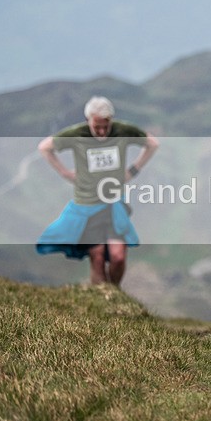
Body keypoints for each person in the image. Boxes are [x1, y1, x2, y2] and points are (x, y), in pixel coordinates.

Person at [36, 96, 159, 286]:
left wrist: (133, 170)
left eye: (106, 126)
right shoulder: (77, 134)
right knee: (98, 256)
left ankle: (113, 290)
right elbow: (44, 147)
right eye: (97, 127)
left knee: (118, 256)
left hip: (114, 203)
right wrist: (65, 173)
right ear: (88, 121)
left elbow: (152, 144)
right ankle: (103, 300)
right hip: (87, 204)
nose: (102, 132)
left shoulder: (123, 130)